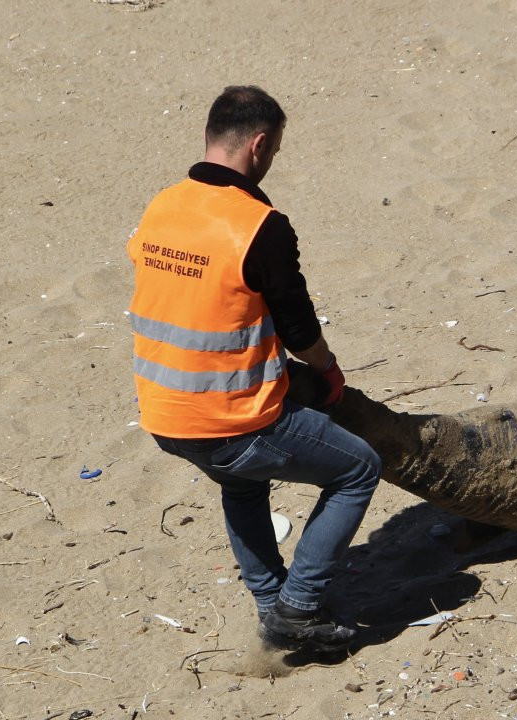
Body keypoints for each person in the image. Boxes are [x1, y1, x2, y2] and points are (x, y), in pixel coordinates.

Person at [126, 85, 381, 652]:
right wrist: (329, 371)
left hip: (165, 413)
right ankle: (299, 603)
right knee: (357, 470)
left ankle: (272, 605)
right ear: (260, 145)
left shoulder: (162, 204)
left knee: (242, 486)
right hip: (233, 418)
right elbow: (299, 327)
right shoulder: (259, 224)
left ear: (208, 137)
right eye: (276, 150)